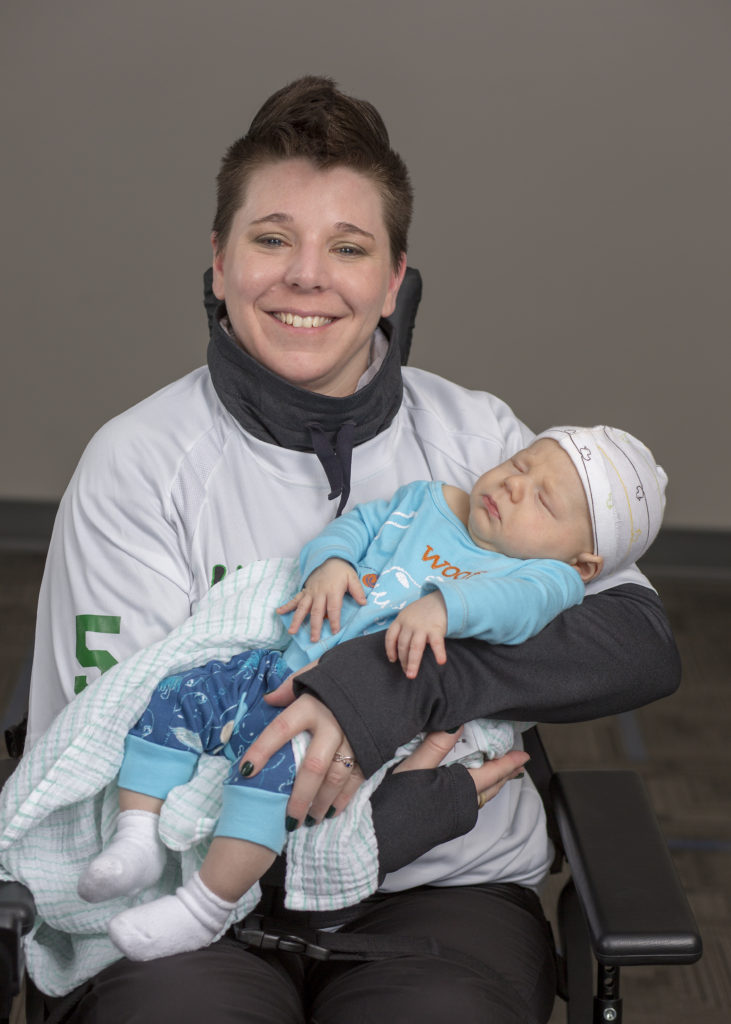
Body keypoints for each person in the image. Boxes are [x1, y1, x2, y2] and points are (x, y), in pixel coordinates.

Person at [26, 75, 680, 1024]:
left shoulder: (481, 441)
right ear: (217, 263)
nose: (307, 277)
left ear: (392, 281)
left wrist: (394, 684)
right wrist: (381, 820)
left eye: (347, 247)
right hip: (195, 913)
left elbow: (636, 641)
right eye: (270, 239)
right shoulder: (138, 464)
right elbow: (114, 756)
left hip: (442, 903)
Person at [78, 424, 665, 964]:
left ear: (585, 564)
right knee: (181, 693)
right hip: (284, 668)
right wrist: (330, 563)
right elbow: (361, 526)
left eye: (543, 500)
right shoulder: (430, 501)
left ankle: (205, 905)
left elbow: (517, 611)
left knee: (277, 774)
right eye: (520, 464)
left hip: (360, 731)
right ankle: (137, 836)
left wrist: (445, 605)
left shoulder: (548, 578)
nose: (515, 486)